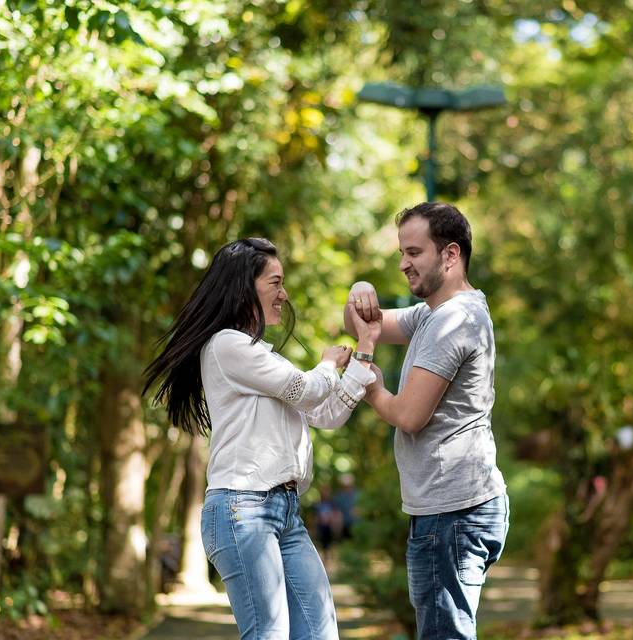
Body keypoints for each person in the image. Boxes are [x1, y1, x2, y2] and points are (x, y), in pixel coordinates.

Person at [143, 237, 380, 640]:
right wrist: (326, 363)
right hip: (242, 509)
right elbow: (305, 390)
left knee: (320, 631)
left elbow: (326, 413)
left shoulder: (266, 358)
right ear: (243, 288)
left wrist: (365, 348)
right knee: (269, 634)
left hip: (284, 510)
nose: (284, 294)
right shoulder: (226, 346)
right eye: (275, 282)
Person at [344, 202, 509, 639]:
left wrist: (372, 385)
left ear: (450, 254)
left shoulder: (451, 321)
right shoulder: (437, 313)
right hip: (457, 506)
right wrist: (359, 290)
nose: (403, 264)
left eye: (414, 252)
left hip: (451, 512)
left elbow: (409, 416)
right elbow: (362, 323)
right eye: (401, 253)